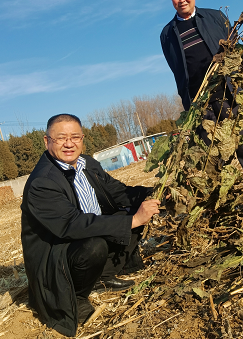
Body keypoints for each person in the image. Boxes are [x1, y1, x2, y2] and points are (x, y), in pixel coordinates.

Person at [21, 114, 160, 337]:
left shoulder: (88, 164)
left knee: (133, 210)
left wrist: (154, 193)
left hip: (83, 237)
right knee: (95, 243)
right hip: (57, 255)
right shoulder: (43, 181)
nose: (69, 143)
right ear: (47, 141)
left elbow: (118, 192)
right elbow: (72, 224)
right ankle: (76, 295)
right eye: (61, 138)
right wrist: (132, 221)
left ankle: (103, 275)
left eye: (75, 137)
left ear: (82, 138)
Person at [160, 0, 243, 171]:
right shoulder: (167, 34)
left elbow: (235, 53)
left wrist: (240, 87)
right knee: (211, 158)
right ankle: (224, 200)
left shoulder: (216, 17)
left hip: (228, 94)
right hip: (199, 103)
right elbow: (176, 70)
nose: (181, 0)